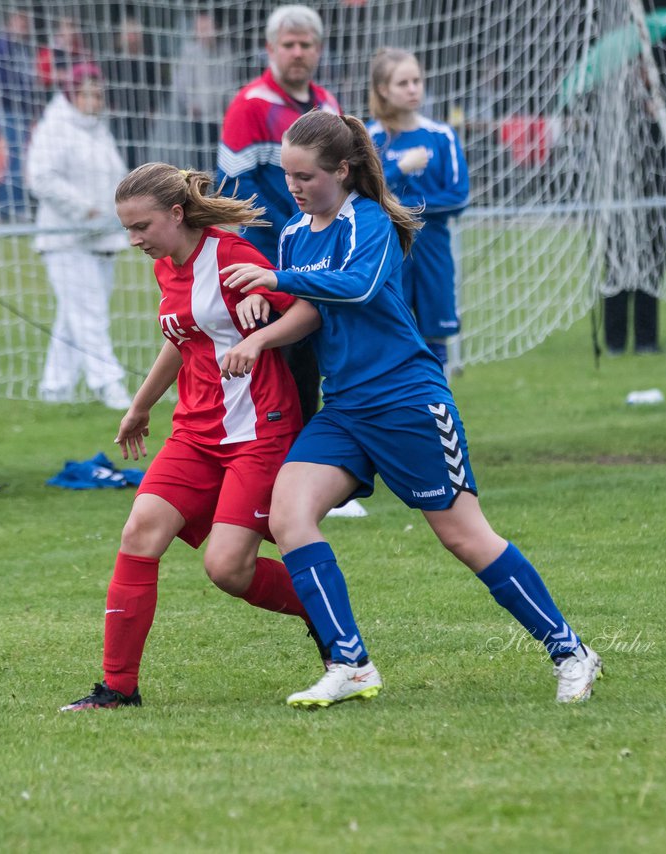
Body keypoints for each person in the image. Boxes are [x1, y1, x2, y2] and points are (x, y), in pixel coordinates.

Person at [221, 111, 602, 708]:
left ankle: (570, 650)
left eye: (306, 176)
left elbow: (361, 286)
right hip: (345, 410)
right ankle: (350, 663)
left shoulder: (367, 221)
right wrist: (260, 332)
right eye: (287, 175)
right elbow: (315, 308)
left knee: (466, 539)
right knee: (288, 518)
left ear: (342, 170)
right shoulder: (296, 232)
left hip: (407, 401)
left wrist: (273, 277)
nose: (294, 187)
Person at [60, 163, 323, 711]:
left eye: (142, 227)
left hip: (258, 431)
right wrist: (139, 406)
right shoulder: (167, 265)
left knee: (227, 569)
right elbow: (183, 338)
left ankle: (326, 616)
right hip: (195, 433)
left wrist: (260, 338)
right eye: (127, 228)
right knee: (140, 532)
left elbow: (307, 311)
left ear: (176, 214)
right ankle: (117, 689)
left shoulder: (232, 256)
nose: (134, 240)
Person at [217, 4, 339, 425]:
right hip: (266, 265)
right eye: (289, 44)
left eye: (306, 44)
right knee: (279, 380)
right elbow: (233, 187)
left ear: (319, 50)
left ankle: (318, 479)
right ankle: (277, 479)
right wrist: (296, 228)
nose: (298, 52)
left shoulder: (326, 103)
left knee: (319, 373)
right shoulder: (249, 105)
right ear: (271, 48)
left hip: (320, 262)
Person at [24, 64, 132, 409]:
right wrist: (83, 210)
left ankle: (55, 388)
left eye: (98, 94)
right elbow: (40, 178)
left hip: (102, 236)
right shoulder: (54, 127)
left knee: (74, 316)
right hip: (66, 238)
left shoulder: (98, 130)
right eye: (87, 93)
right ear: (72, 94)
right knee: (89, 314)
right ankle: (108, 383)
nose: (94, 101)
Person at [366, 48, 469, 368]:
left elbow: (458, 197)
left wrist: (399, 205)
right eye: (403, 83)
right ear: (383, 89)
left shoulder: (441, 136)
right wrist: (399, 170)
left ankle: (439, 412)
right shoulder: (368, 137)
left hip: (432, 252)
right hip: (387, 253)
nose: (413, 89)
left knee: (434, 342)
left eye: (417, 81)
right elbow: (367, 197)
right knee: (389, 339)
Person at [601, 62, 666, 356]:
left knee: (651, 270)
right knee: (618, 271)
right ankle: (615, 341)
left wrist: (657, 116)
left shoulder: (663, 104)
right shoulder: (612, 104)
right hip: (620, 202)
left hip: (655, 202)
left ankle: (647, 340)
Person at [0, 11, 41, 220]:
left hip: (23, 111)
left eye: (27, 23)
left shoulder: (22, 47)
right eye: (21, 21)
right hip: (8, 110)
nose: (24, 27)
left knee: (19, 159)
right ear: (12, 21)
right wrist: (16, 93)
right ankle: (7, 209)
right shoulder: (1, 45)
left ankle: (16, 206)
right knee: (9, 159)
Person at [171, 11, 238, 174]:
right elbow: (181, 83)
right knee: (199, 161)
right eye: (200, 28)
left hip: (220, 117)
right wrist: (190, 104)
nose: (203, 32)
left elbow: (230, 81)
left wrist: (228, 108)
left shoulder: (225, 51)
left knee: (221, 157)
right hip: (197, 117)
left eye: (207, 27)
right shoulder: (189, 52)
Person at [102, 13, 167, 170]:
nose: (131, 37)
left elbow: (156, 86)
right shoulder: (114, 60)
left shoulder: (148, 60)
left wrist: (153, 107)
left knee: (141, 149)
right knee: (118, 148)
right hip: (120, 113)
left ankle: (137, 178)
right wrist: (111, 105)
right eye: (128, 33)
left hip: (142, 112)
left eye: (134, 33)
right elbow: (107, 85)